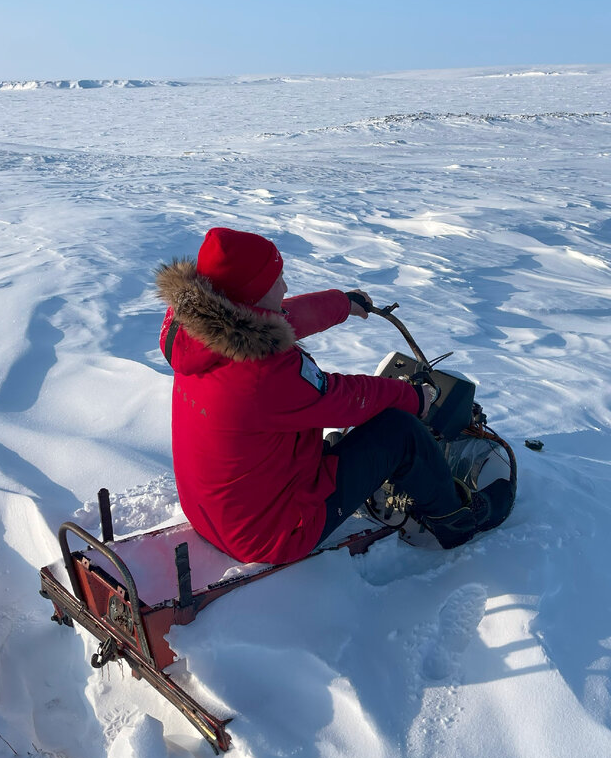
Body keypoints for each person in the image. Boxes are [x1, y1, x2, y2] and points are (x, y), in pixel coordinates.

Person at [155, 227, 481, 564]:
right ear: (250, 297)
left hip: (218, 516)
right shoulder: (262, 372)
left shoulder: (200, 335)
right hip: (272, 534)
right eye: (276, 280)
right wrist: (415, 398)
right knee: (401, 431)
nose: (284, 287)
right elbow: (345, 400)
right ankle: (455, 522)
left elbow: (278, 319)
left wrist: (343, 304)